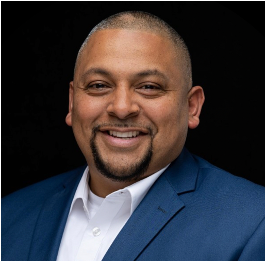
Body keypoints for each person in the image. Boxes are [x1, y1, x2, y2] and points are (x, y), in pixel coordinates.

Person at [1, 11, 265, 261]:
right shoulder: (10, 215)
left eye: (149, 87)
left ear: (192, 107)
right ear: (72, 103)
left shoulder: (254, 222)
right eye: (99, 85)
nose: (122, 107)